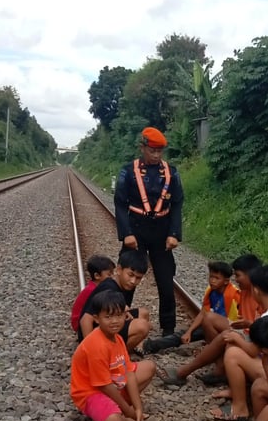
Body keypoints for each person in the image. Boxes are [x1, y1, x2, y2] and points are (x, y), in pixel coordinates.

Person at [114, 127, 184, 337]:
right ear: (142, 147)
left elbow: (178, 203)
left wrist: (174, 233)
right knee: (128, 279)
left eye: (159, 151)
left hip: (162, 232)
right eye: (152, 150)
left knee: (165, 279)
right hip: (135, 230)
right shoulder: (128, 171)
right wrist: (126, 233)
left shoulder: (171, 172)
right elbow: (119, 203)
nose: (156, 155)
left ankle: (168, 328)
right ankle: (118, 324)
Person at [210, 265, 268, 421]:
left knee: (233, 352)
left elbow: (253, 351)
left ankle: (240, 408)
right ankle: (237, 392)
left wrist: (237, 339)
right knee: (235, 345)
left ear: (256, 290)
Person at [157, 253, 262, 386]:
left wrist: (247, 326)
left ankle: (183, 372)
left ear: (250, 275)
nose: (235, 279)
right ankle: (220, 366)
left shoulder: (258, 294)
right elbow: (205, 312)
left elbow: (263, 332)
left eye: (238, 275)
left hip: (254, 338)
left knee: (226, 335)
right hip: (246, 331)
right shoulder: (246, 290)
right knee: (209, 318)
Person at [70, 290, 156, 421]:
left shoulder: (117, 338)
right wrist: (130, 413)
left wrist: (137, 407)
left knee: (149, 367)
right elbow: (104, 386)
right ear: (97, 319)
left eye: (118, 315)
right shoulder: (96, 344)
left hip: (112, 383)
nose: (114, 321)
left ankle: (119, 410)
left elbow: (128, 373)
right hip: (91, 393)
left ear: (125, 315)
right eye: (108, 317)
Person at [78, 249, 150, 352]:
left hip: (109, 324)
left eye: (138, 278)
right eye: (130, 275)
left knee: (144, 313)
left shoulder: (127, 285)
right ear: (119, 270)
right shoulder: (108, 288)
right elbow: (85, 319)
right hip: (95, 331)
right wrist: (90, 349)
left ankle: (135, 347)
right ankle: (115, 357)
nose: (133, 281)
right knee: (142, 326)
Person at [180, 260, 241, 344]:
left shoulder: (234, 294)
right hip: (219, 326)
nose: (212, 281)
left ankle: (214, 347)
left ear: (226, 281)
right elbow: (203, 313)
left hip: (232, 327)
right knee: (206, 320)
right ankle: (213, 346)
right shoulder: (210, 291)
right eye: (211, 277)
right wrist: (189, 332)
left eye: (216, 278)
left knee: (208, 318)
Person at [70, 254, 115, 332]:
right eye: (109, 274)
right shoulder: (93, 290)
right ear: (97, 276)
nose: (112, 276)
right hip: (79, 323)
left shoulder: (94, 287)